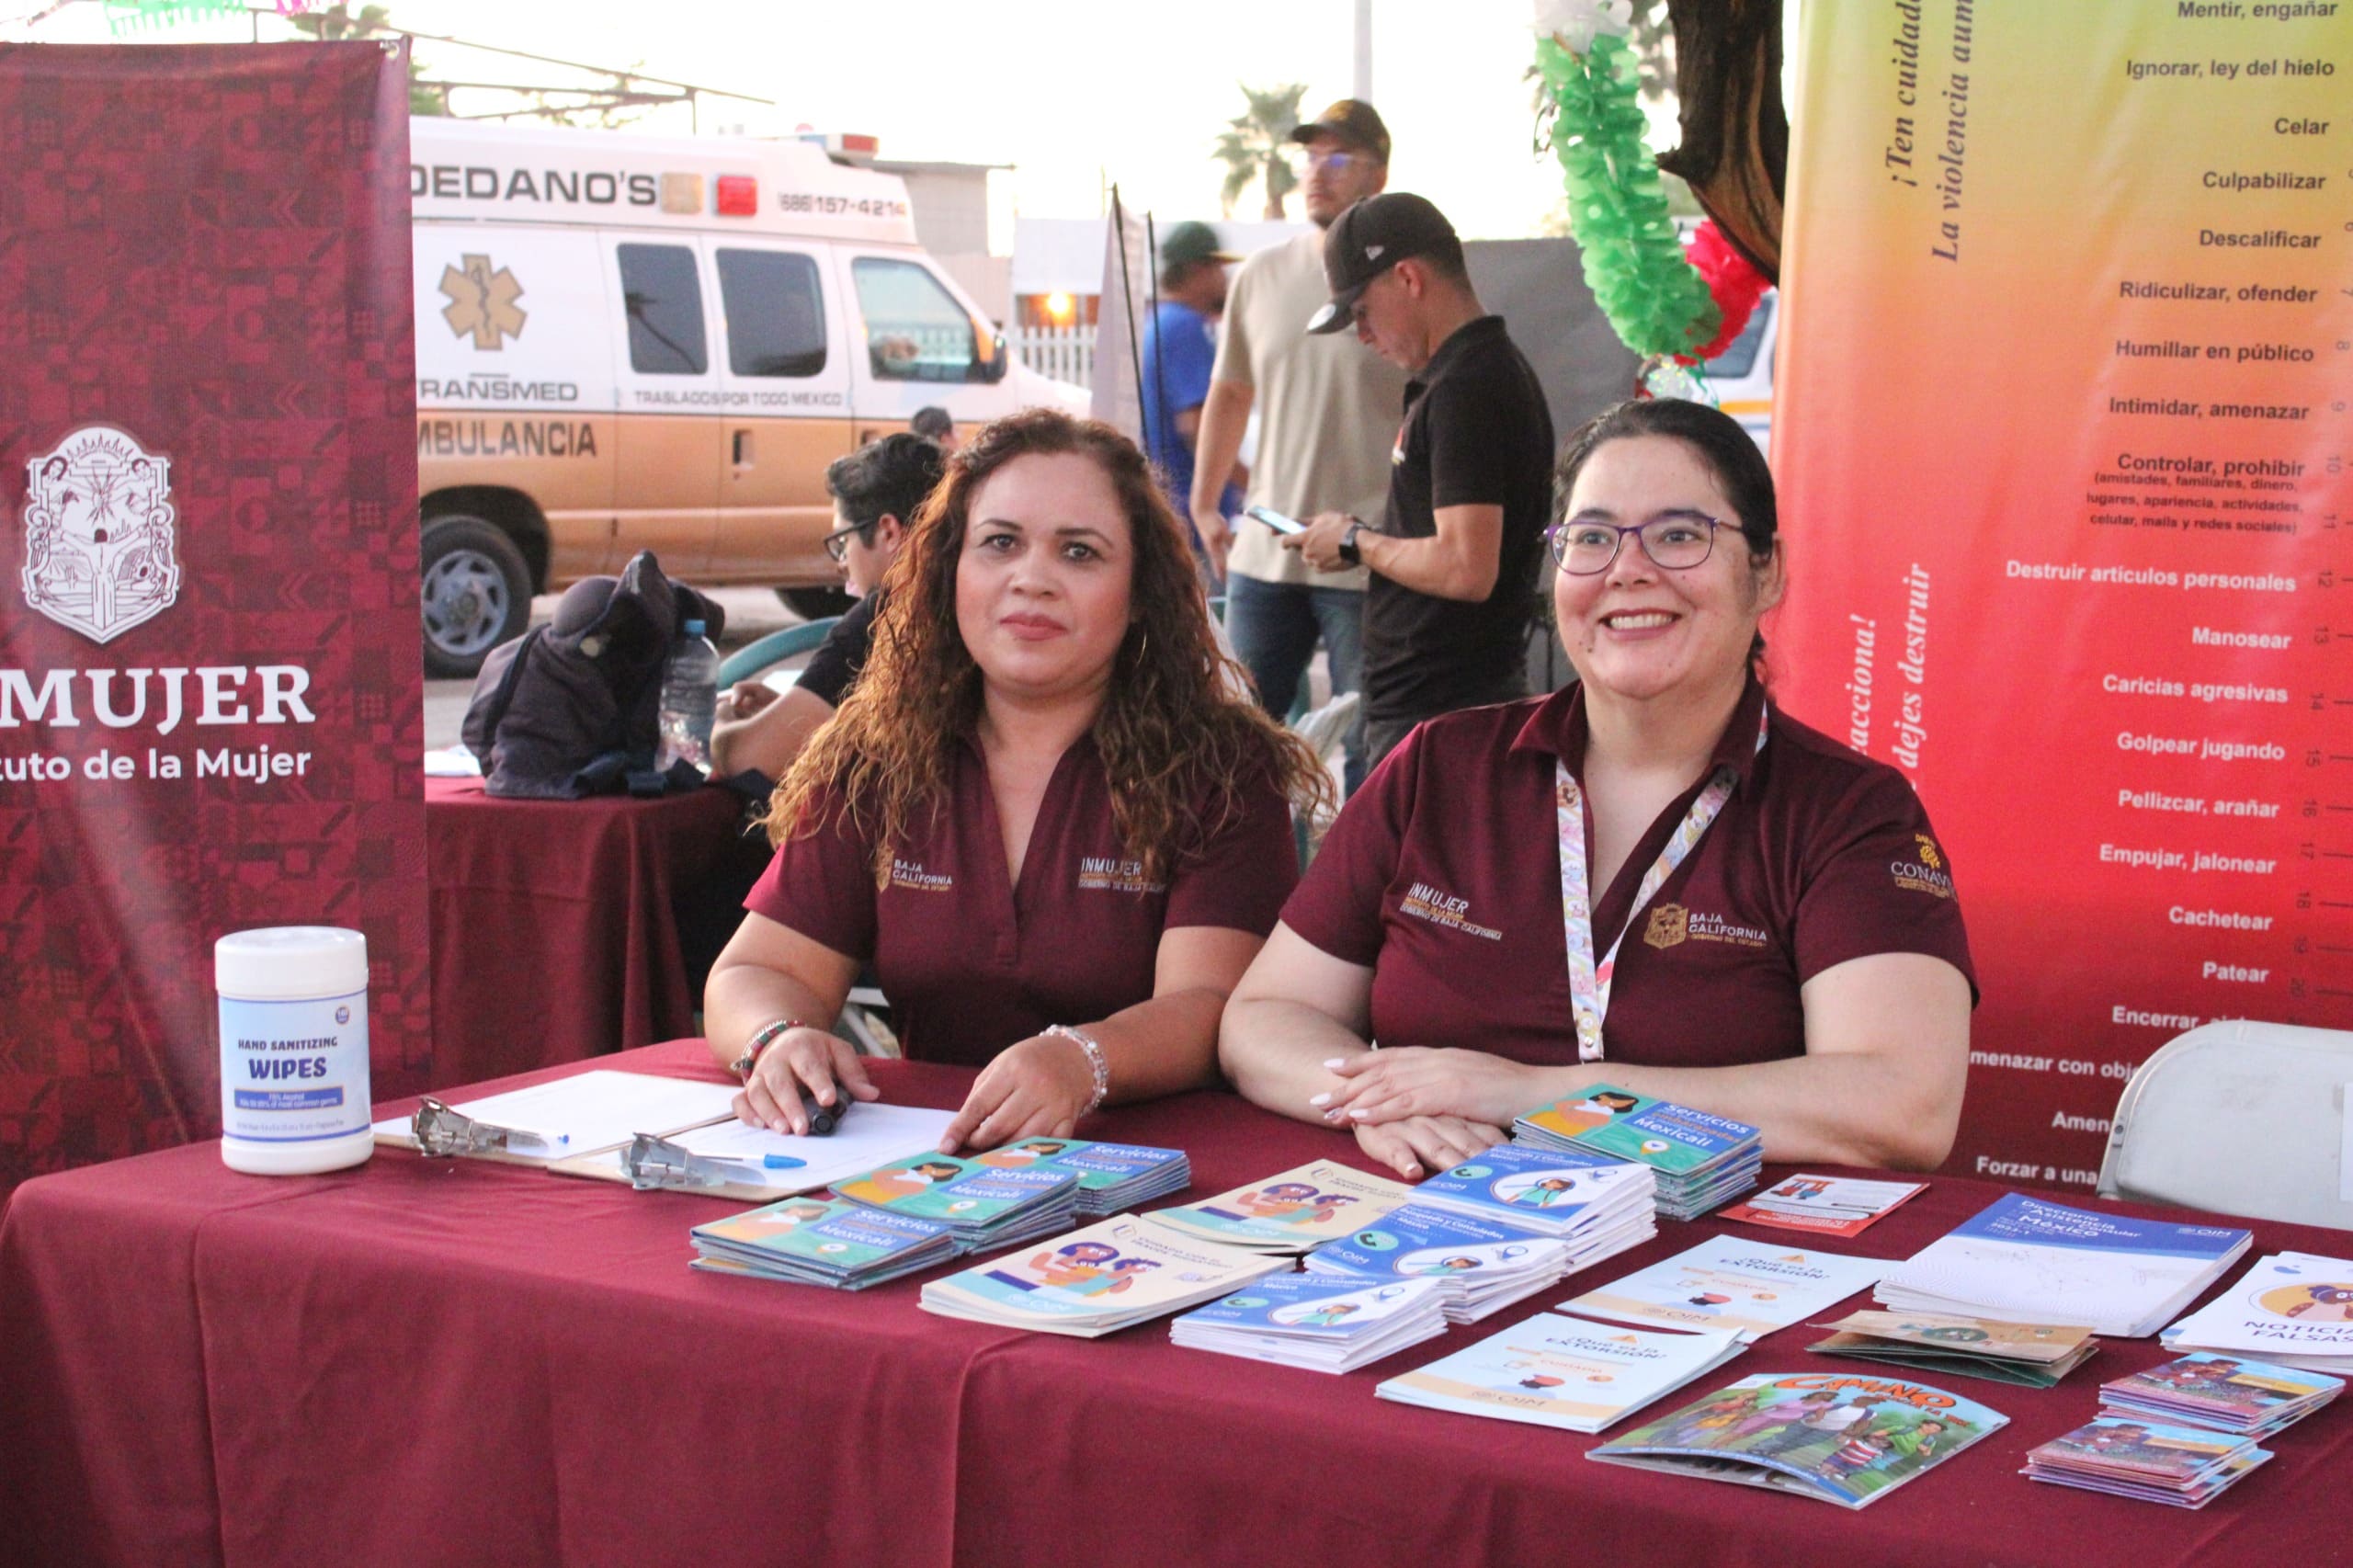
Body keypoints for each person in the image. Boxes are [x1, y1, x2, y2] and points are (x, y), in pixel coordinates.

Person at [1219, 397, 1976, 1179]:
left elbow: (1900, 1105)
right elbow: (1267, 1018)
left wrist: (1541, 1097)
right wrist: (1382, 1101)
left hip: (1708, 1274)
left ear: (1768, 571)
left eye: (1680, 535)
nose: (1628, 569)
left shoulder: (1848, 811)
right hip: (1436, 1245)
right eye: (1592, 538)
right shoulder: (1439, 767)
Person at [705, 408, 1335, 1152]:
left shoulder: (1221, 770)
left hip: (1154, 1173)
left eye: (1080, 552)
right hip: (926, 1163)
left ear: (1139, 595)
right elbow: (756, 968)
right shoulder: (875, 759)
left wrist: (1080, 1061)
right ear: (950, 572)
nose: (1031, 579)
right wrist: (776, 1039)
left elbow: (1211, 1006)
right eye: (1000, 543)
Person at [1282, 191, 1555, 770]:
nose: (1362, 335)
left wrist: (1357, 542)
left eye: (1360, 313)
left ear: (1407, 278)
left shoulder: (1468, 387)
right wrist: (1355, 535)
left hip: (1446, 712)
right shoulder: (1468, 375)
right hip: (1443, 706)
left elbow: (1465, 567)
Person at [1191, 98, 1406, 794]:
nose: (1319, 173)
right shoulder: (1260, 275)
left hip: (1366, 554)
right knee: (1239, 748)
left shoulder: (1406, 280)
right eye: (1311, 158)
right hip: (1266, 551)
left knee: (1371, 752)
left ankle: (1355, 898)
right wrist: (1204, 503)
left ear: (1377, 174)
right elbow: (1229, 395)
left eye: (1338, 158)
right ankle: (1247, 894)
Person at [709, 432, 946, 781]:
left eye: (843, 541)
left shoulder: (882, 619)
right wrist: (792, 709)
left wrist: (719, 721)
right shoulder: (964, 601)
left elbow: (751, 758)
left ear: (889, 532)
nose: (841, 563)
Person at [1139, 221, 1244, 533]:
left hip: (1173, 507)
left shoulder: (1160, 322)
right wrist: (1253, 483)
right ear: (1197, 270)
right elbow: (1198, 427)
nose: (1225, 280)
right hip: (1193, 516)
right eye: (1218, 269)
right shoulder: (1186, 328)